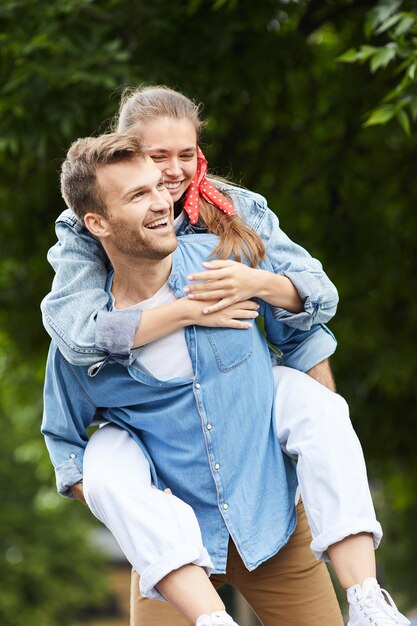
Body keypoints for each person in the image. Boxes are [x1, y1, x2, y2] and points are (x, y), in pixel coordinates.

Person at [42, 133, 409, 626]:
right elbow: (67, 448)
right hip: (175, 561)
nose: (161, 202)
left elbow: (306, 332)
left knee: (317, 404)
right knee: (105, 454)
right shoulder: (82, 336)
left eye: (159, 187)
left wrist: (313, 453)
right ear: (96, 223)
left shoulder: (226, 263)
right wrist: (135, 504)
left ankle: (369, 601)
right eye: (137, 195)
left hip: (272, 527)